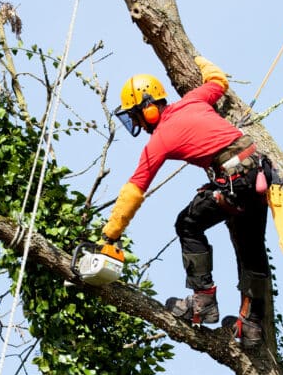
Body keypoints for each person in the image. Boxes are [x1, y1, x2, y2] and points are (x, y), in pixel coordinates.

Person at [101, 56, 270, 349]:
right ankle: (252, 325)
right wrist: (199, 60)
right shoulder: (192, 101)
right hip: (258, 175)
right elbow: (218, 82)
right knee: (251, 251)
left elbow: (134, 190)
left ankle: (203, 300)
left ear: (148, 106)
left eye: (136, 116)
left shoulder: (161, 139)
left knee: (188, 223)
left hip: (236, 180)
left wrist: (110, 234)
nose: (139, 125)